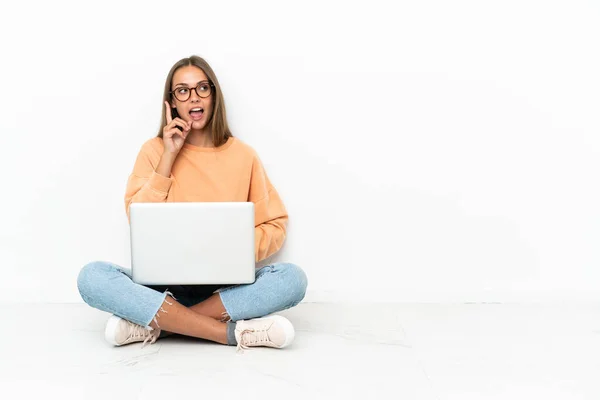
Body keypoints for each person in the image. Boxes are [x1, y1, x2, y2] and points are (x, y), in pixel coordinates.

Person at [77, 55, 307, 351]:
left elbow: (274, 224)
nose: (193, 97)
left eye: (202, 88)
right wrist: (168, 156)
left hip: (224, 291)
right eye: (183, 91)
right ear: (172, 102)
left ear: (214, 95)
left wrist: (233, 247)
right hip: (161, 288)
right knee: (91, 277)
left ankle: (157, 325)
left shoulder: (243, 155)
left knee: (292, 279)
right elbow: (138, 218)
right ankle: (229, 333)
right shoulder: (153, 151)